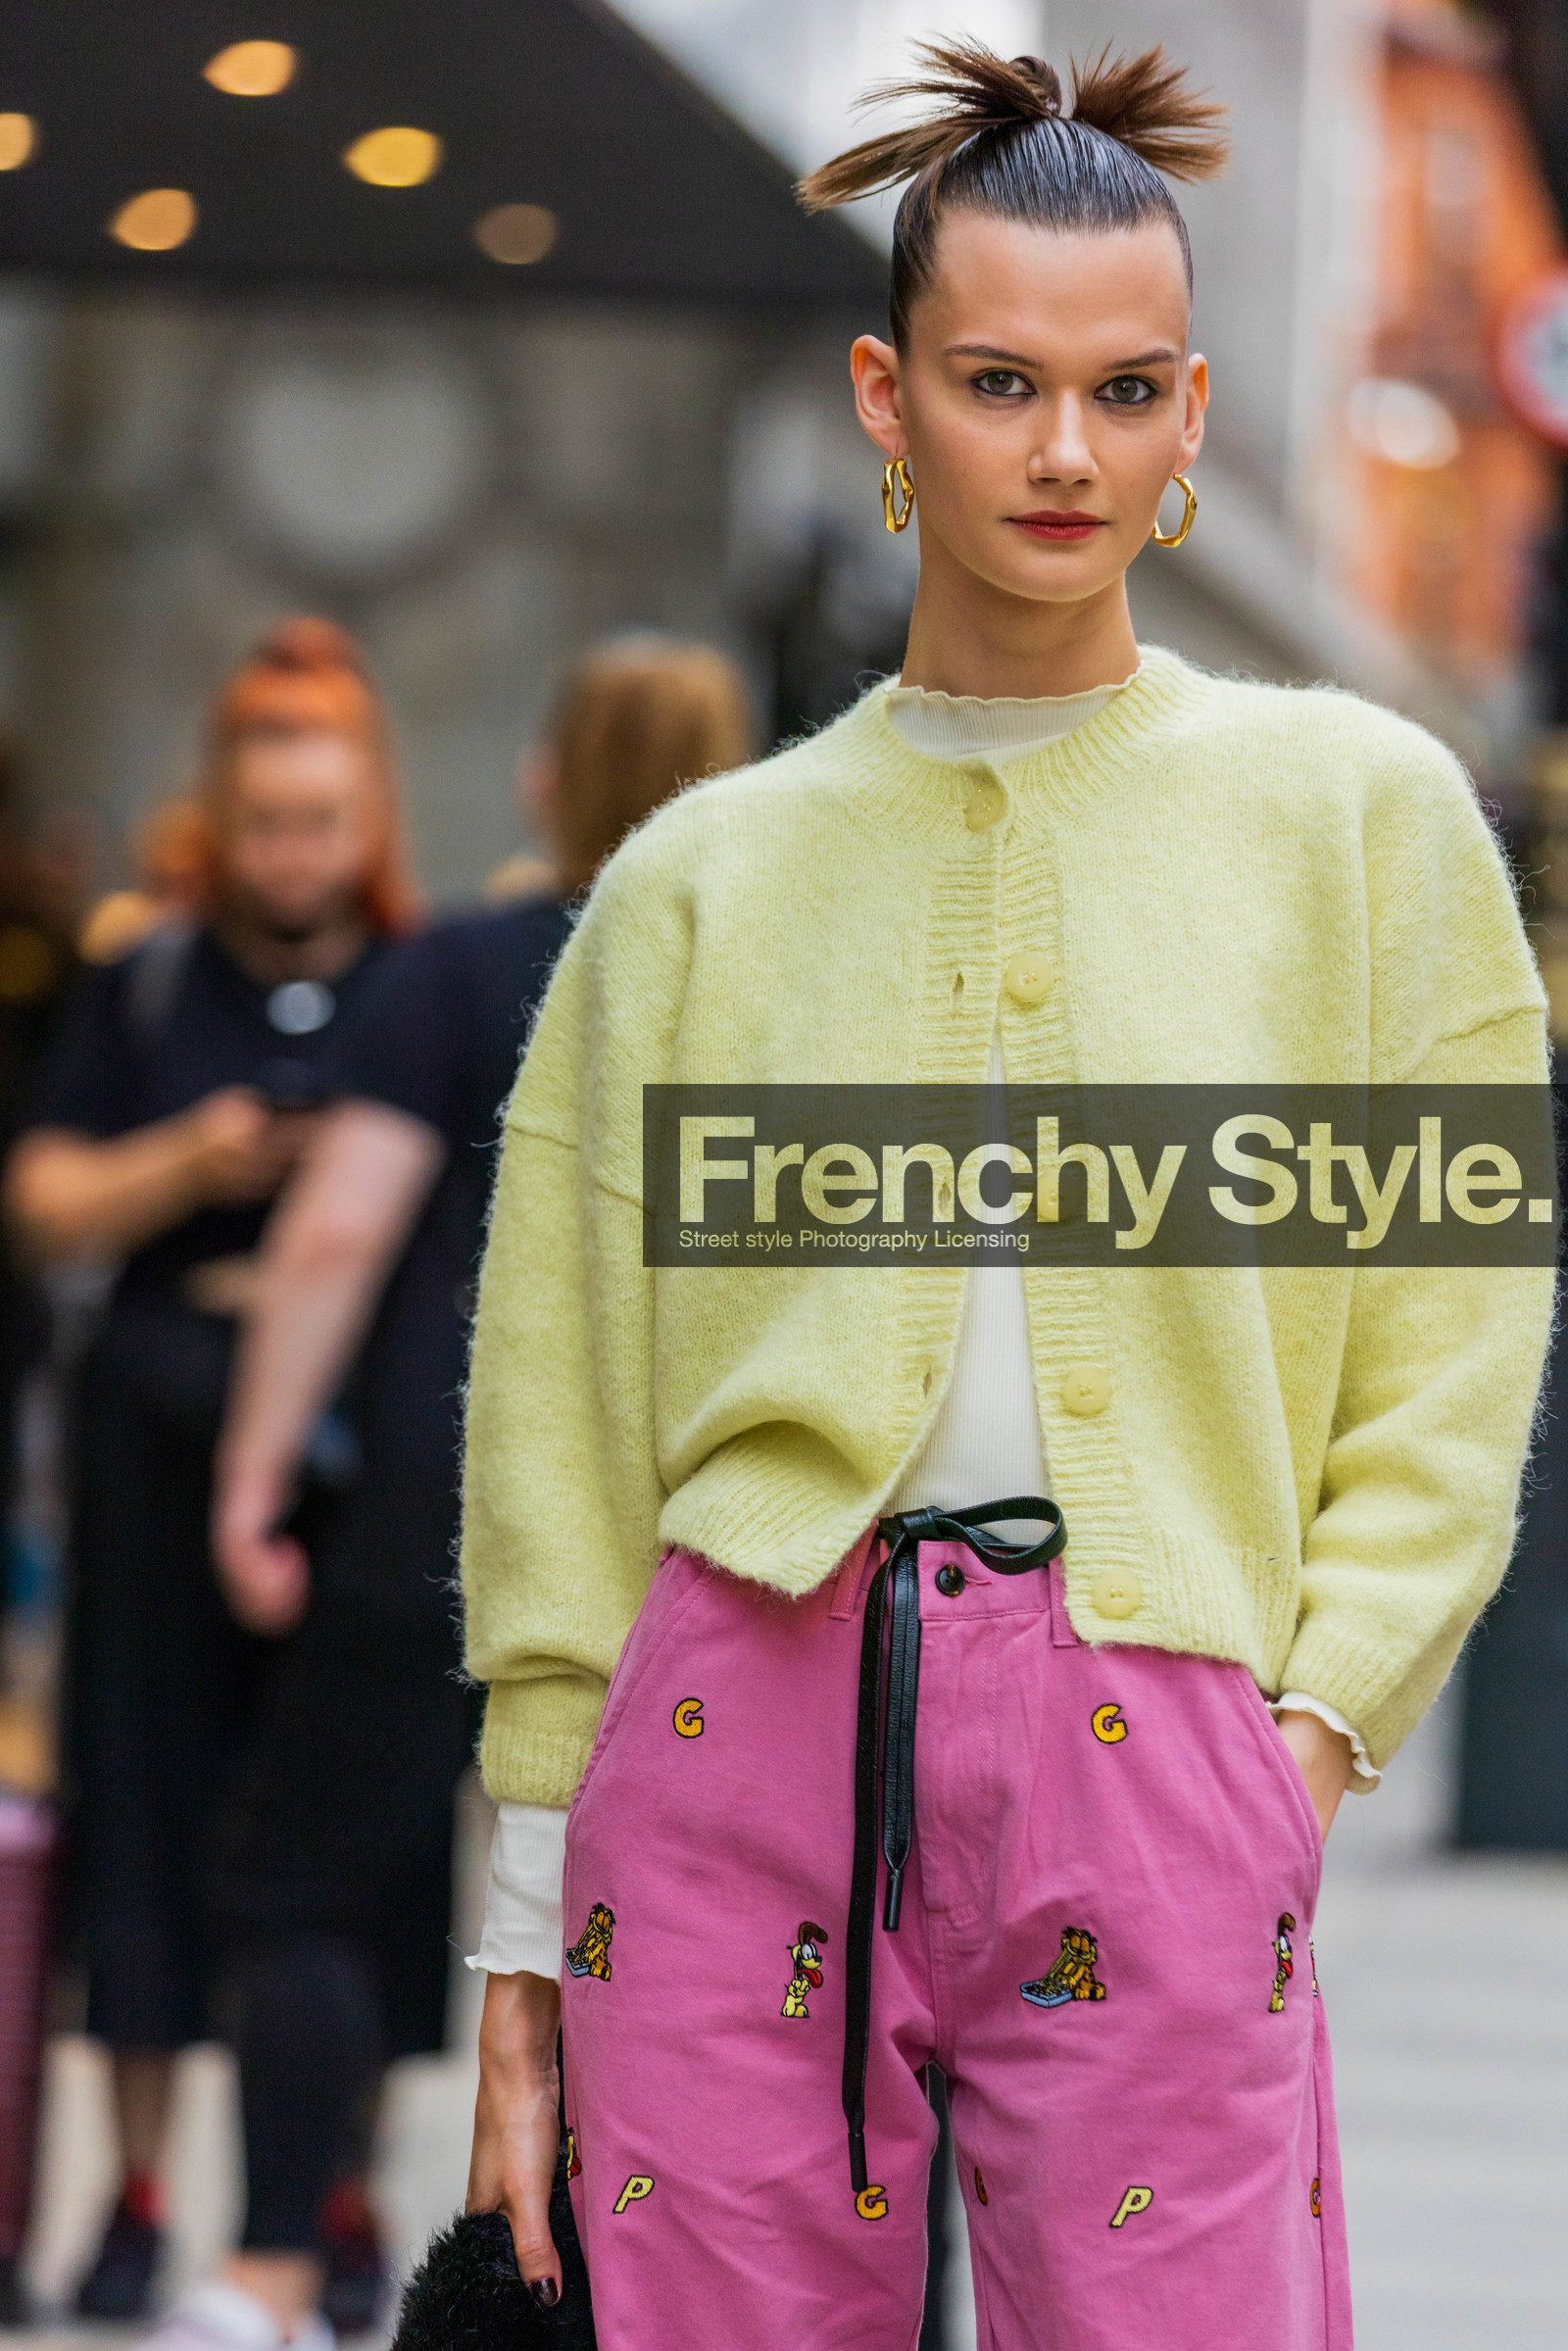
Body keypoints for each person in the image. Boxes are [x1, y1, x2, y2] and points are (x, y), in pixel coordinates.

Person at [454, 43, 1554, 2351]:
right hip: (721, 1734)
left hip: (1159, 1734)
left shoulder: (1354, 823)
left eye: (1122, 388)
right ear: (885, 395)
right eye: (993, 381)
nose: (1060, 451)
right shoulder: (693, 890)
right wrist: (522, 1932)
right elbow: (556, 1433)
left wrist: (1317, 1719)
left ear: (1180, 419)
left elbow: (1449, 1331)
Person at [195, 636, 753, 2351]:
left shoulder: (457, 968)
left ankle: (276, 2267)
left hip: (440, 1508)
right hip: (691, 1531)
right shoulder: (764, 968)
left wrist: (254, 1470)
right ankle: (613, 2280)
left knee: (312, 1884)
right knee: (666, 1925)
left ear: (543, 778)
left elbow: (342, 1227)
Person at [3, 617, 416, 2332]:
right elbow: (43, 1198)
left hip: (351, 1486)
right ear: (218, 818)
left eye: (322, 823)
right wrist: (198, 1162)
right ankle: (144, 2190)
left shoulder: (423, 979)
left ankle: (330, 2188)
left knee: (353, 1848)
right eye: (265, 824)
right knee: (147, 1819)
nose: (292, 858)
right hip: (153, 1473)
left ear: (371, 818)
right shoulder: (149, 980)